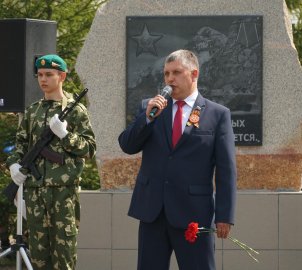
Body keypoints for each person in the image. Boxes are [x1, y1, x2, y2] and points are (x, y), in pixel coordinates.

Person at [118, 49, 237, 270]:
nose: (170, 79)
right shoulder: (150, 107)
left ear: (194, 74)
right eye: (166, 74)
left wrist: (225, 215)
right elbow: (128, 145)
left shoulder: (217, 114)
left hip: (194, 212)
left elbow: (226, 169)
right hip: (153, 211)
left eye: (176, 72)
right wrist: (147, 118)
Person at [6, 54, 96, 269]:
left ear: (62, 76)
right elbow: (19, 145)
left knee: (63, 256)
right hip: (36, 192)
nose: (43, 79)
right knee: (38, 256)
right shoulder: (33, 111)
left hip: (63, 193)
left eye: (49, 74)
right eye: (40, 75)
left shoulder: (76, 111)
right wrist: (14, 165)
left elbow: (89, 149)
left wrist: (66, 136)